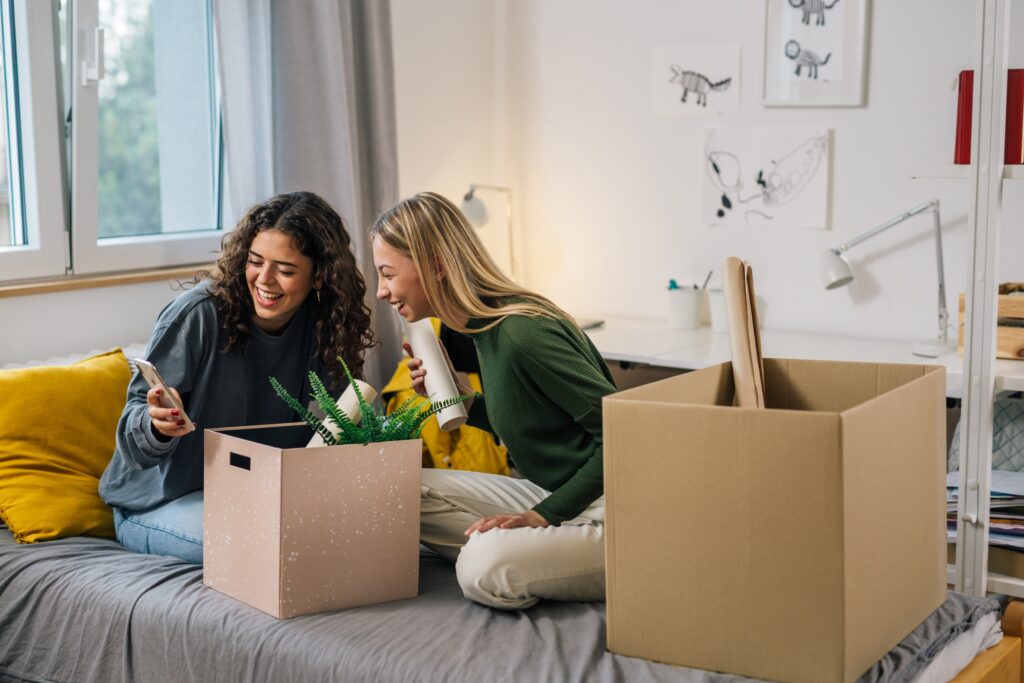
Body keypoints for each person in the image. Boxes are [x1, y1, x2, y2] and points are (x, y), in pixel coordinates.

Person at [370, 191, 616, 609]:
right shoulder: (484, 329)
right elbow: (527, 419)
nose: (381, 291)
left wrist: (542, 517)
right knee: (394, 487)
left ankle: (525, 554)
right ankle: (531, 552)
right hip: (556, 493)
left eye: (388, 274)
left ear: (436, 265)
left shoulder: (523, 334)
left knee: (480, 569)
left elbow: (625, 439)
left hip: (612, 509)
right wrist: (460, 400)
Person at [99, 191, 374, 564]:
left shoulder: (322, 325)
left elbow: (352, 416)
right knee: (270, 550)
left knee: (350, 538)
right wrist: (157, 425)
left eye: (286, 270)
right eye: (255, 262)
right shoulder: (197, 315)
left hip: (249, 495)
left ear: (320, 275)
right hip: (156, 502)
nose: (264, 279)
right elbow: (134, 428)